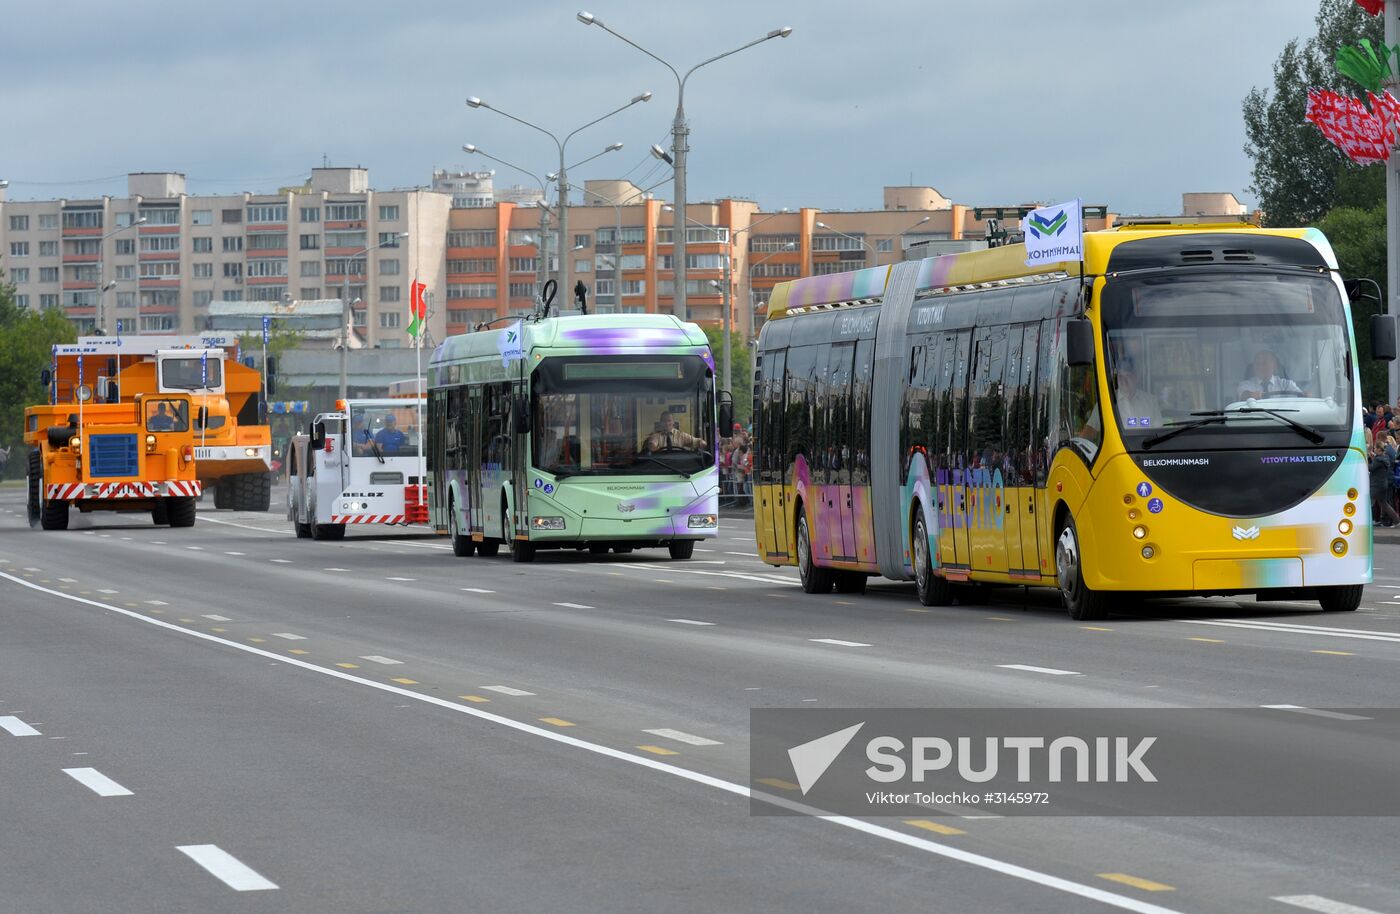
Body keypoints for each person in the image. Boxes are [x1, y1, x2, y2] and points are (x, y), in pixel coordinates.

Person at [1237, 350, 1302, 400]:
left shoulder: (1286, 384)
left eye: (1264, 363)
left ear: (1274, 366)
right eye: (1257, 363)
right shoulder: (1246, 384)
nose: (1260, 367)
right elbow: (1243, 394)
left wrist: (1306, 395)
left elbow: (1302, 397)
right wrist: (1249, 395)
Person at [1369, 440, 1400, 527]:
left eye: (1375, 448)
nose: (1374, 449)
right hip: (1383, 485)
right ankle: (1397, 520)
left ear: (1379, 449)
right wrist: (1373, 458)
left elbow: (1370, 468)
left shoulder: (1378, 460)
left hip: (1376, 486)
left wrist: (1367, 461)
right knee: (1385, 504)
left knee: (1369, 503)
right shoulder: (1385, 458)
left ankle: (1368, 521)